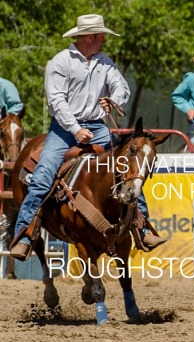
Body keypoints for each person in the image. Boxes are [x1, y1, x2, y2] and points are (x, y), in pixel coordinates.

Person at [10, 14, 166, 260]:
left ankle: (142, 226)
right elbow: (56, 100)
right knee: (42, 176)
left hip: (97, 127)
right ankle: (25, 235)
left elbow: (121, 87)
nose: (104, 40)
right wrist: (75, 129)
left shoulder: (105, 62)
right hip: (63, 129)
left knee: (127, 170)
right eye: (101, 35)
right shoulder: (61, 62)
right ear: (89, 37)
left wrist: (113, 99)